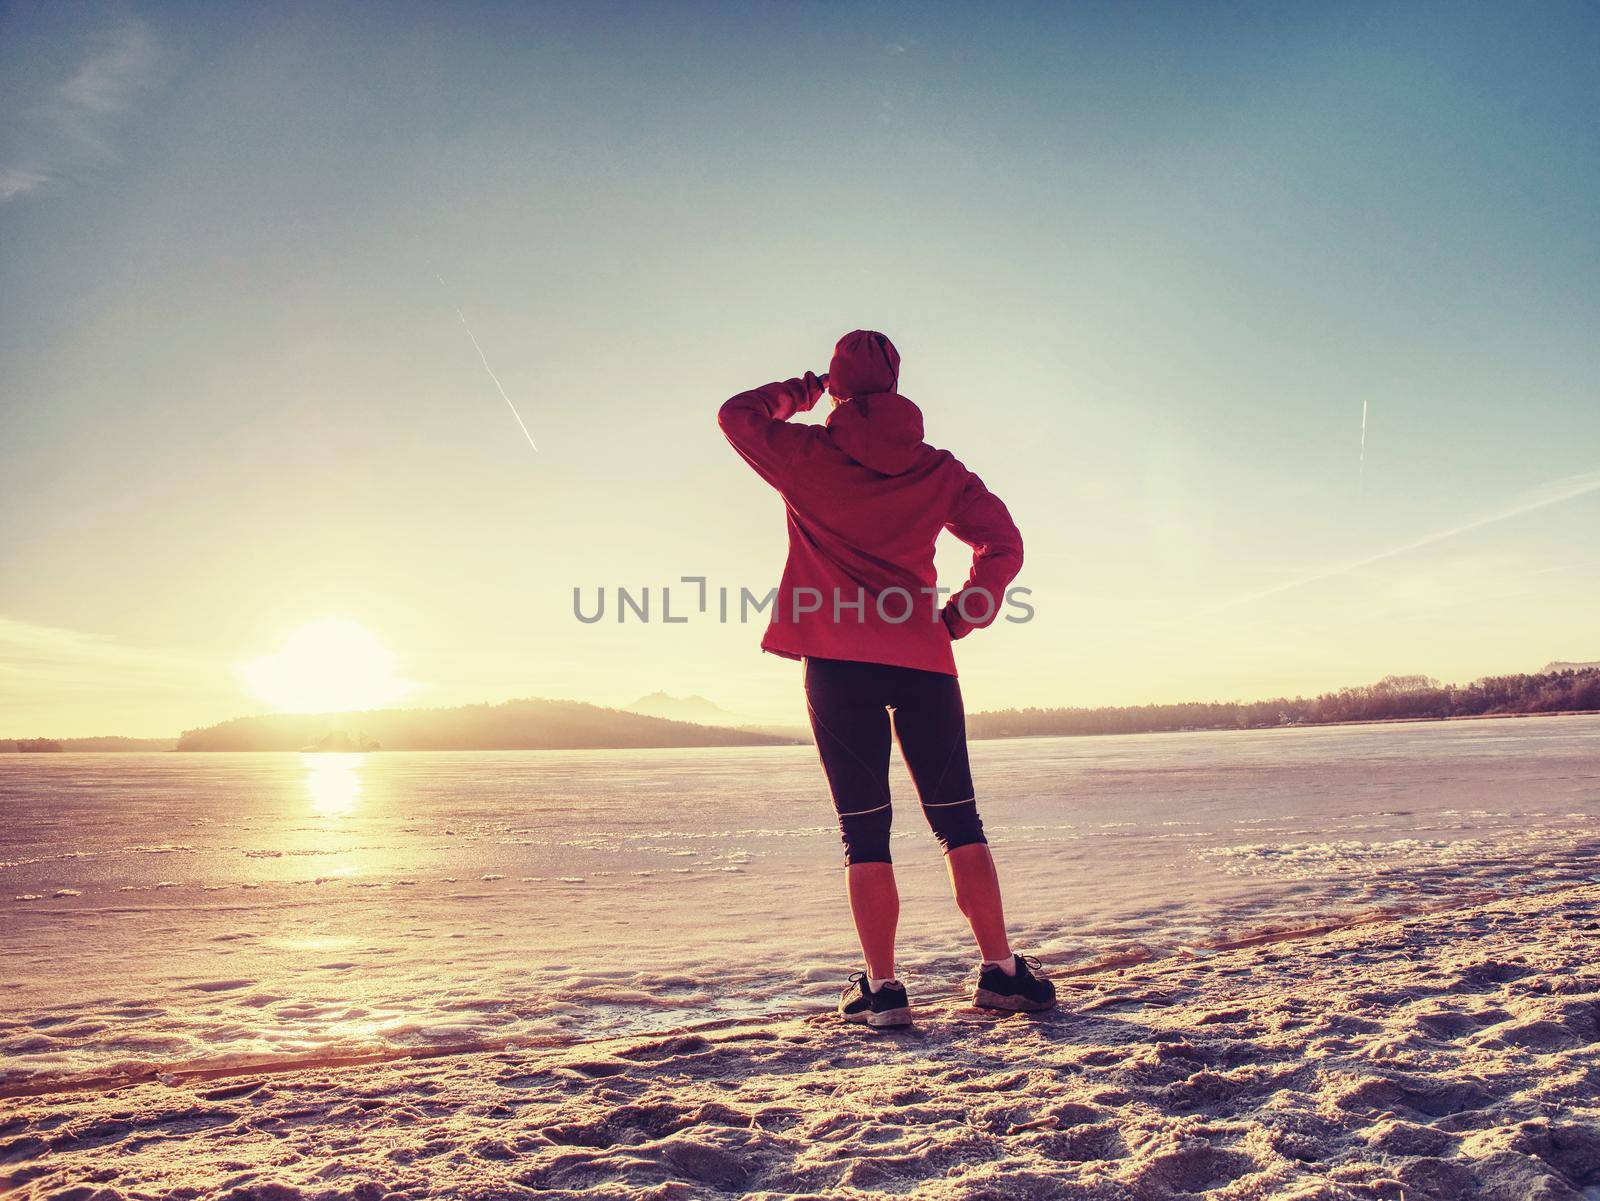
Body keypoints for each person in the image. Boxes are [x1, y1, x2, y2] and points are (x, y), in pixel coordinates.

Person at [718, 330, 1056, 1028]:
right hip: (924, 659)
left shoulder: (806, 454)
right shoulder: (936, 468)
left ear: (841, 384)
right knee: (959, 819)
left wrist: (805, 391)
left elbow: (737, 415)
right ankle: (1002, 972)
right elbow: (1005, 543)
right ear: (898, 385)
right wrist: (965, 612)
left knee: (864, 832)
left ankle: (884, 989)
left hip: (839, 664)